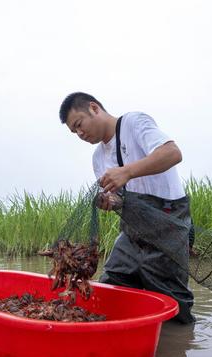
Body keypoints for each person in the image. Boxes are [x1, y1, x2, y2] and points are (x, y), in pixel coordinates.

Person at [59, 92, 195, 323]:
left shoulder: (134, 123)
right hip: (132, 233)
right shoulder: (98, 159)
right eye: (74, 132)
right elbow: (120, 200)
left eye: (79, 125)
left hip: (167, 226)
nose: (80, 134)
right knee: (111, 287)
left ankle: (178, 348)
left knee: (171, 303)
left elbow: (173, 153)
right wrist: (109, 203)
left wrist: (127, 171)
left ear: (94, 108)